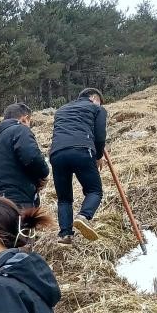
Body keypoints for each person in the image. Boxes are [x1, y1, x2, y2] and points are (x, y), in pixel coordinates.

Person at [49, 88, 107, 244]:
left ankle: (65, 234)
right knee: (94, 190)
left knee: (64, 198)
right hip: (82, 150)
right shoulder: (97, 108)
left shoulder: (61, 110)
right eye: (100, 101)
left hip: (57, 153)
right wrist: (98, 156)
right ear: (94, 98)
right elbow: (100, 136)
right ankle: (84, 216)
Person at [0, 102, 49, 210]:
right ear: (25, 119)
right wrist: (43, 174)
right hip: (16, 201)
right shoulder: (20, 129)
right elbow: (32, 157)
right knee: (18, 227)